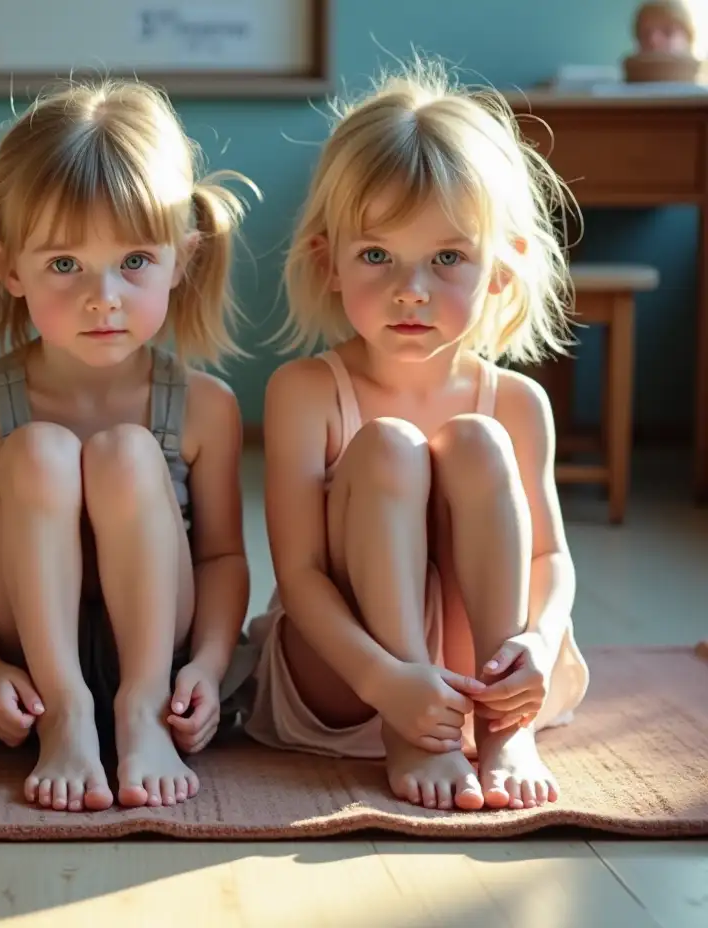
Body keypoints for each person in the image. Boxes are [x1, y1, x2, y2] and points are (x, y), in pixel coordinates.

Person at [245, 62, 590, 812]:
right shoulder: (305, 393)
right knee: (389, 446)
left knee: (475, 443)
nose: (411, 289)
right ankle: (419, 732)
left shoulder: (519, 402)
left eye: (447, 258)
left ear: (501, 272)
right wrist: (382, 679)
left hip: (482, 664)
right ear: (326, 262)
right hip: (348, 673)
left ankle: (501, 731)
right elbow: (299, 577)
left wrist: (538, 641)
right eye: (378, 255)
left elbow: (549, 557)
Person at [0, 79, 261, 812]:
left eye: (135, 260)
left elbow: (222, 557)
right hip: (27, 676)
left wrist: (204, 665)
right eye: (64, 264)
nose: (102, 295)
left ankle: (136, 711)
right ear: (7, 266)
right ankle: (71, 714)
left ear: (184, 257)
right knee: (40, 451)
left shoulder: (204, 407)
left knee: (128, 453)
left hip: (159, 663)